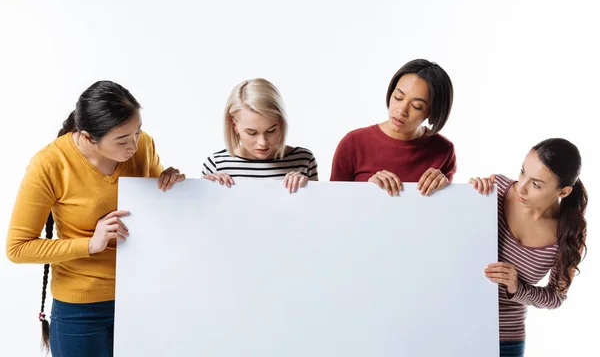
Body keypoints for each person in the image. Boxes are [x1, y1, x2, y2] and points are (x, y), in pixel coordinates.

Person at [6, 81, 185, 357]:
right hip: (80, 309)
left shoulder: (143, 146)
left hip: (142, 296)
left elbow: (155, 212)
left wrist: (170, 183)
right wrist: (90, 243)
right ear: (89, 137)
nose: (134, 145)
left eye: (137, 132)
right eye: (122, 139)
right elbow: (17, 248)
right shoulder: (50, 163)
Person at [469, 138, 587, 357]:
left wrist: (517, 287)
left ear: (563, 192)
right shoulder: (497, 191)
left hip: (506, 339)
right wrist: (467, 197)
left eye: (536, 184)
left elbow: (556, 297)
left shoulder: (568, 235)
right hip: (455, 323)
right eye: (522, 172)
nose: (521, 187)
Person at [330, 58, 455, 196]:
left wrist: (445, 191)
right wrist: (367, 192)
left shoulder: (444, 151)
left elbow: (442, 213)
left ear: (432, 112)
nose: (401, 111)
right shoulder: (353, 143)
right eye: (398, 98)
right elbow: (334, 205)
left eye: (416, 106)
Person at [202, 78, 318, 192]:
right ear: (234, 125)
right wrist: (207, 190)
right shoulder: (216, 164)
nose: (263, 142)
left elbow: (316, 209)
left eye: (271, 130)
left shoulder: (304, 160)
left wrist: (306, 190)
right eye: (252, 133)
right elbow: (202, 210)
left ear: (281, 123)